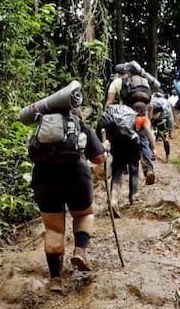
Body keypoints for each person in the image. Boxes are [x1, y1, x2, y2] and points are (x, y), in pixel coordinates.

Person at [27, 108, 107, 293]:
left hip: (44, 177)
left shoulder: (43, 128)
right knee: (84, 215)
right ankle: (79, 251)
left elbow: (33, 154)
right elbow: (99, 158)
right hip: (76, 176)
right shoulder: (80, 127)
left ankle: (55, 278)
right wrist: (105, 148)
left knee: (54, 229)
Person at [98, 106, 142, 212]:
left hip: (115, 141)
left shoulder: (109, 116)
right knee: (134, 168)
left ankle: (113, 200)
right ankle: (134, 196)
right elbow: (140, 130)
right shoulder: (133, 115)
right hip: (130, 141)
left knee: (117, 171)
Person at [133, 102, 157, 185]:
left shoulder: (129, 118)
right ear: (142, 112)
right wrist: (154, 148)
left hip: (130, 139)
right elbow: (149, 133)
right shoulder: (144, 119)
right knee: (145, 145)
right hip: (141, 137)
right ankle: (149, 170)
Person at [149, 91, 174, 161]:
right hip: (151, 120)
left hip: (161, 121)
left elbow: (170, 118)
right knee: (151, 137)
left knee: (165, 139)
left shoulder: (165, 106)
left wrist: (170, 130)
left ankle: (167, 156)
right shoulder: (151, 101)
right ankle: (151, 154)